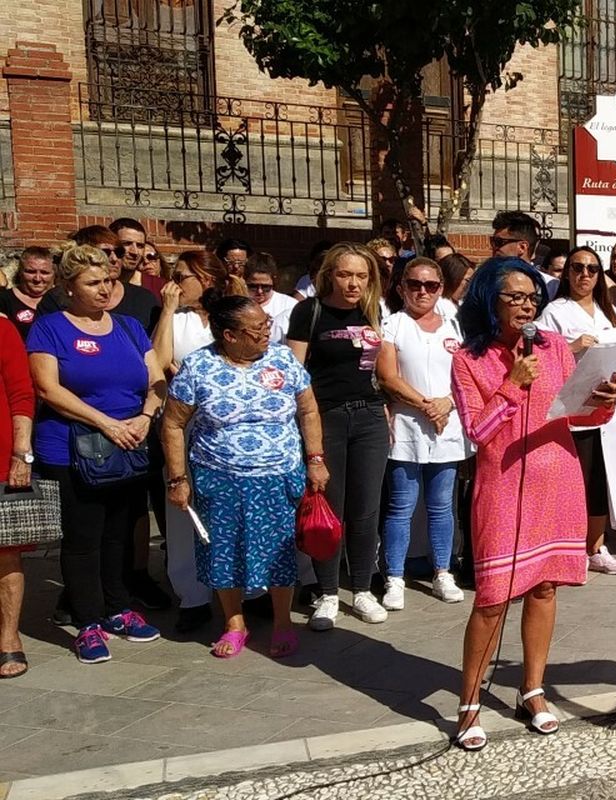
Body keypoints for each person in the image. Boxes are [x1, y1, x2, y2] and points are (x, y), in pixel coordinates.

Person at [450, 257, 616, 750]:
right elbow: (478, 432)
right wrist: (512, 385)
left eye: (532, 298)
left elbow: (583, 416)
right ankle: (468, 702)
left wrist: (605, 397)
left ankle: (532, 690)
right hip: (503, 488)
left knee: (544, 589)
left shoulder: (551, 347)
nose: (528, 306)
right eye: (516, 297)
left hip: (559, 479)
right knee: (493, 599)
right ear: (488, 300)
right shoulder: (467, 359)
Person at [161, 292, 327, 659]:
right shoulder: (199, 367)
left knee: (280, 551)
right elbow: (173, 424)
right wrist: (177, 478)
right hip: (219, 475)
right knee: (222, 549)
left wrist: (315, 458)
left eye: (266, 325)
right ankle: (234, 622)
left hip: (278, 473)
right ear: (229, 335)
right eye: (256, 329)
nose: (266, 333)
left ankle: (282, 621)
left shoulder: (283, 358)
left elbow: (309, 410)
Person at [28, 244, 167, 664]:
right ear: (68, 287)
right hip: (73, 447)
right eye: (93, 282)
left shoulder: (128, 326)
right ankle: (87, 621)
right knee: (83, 537)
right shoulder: (50, 328)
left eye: (108, 280)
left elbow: (155, 376)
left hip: (128, 444)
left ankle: (118, 608)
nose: (105, 288)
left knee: (120, 532)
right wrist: (105, 422)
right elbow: (48, 389)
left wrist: (146, 416)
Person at [284, 242, 390, 630]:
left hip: (370, 417)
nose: (353, 283)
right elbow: (295, 375)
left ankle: (361, 589)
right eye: (345, 274)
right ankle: (327, 593)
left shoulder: (373, 310)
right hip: (326, 418)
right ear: (330, 274)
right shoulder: (308, 312)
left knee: (366, 510)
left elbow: (380, 369)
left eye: (361, 276)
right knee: (328, 509)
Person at [155, 250, 247, 633]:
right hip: (186, 425)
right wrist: (167, 308)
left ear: (206, 279)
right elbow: (157, 360)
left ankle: (247, 592)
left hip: (233, 427)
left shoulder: (235, 315)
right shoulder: (178, 320)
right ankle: (191, 594)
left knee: (238, 507)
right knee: (184, 508)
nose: (173, 284)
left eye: (182, 278)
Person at [376, 258, 469, 609]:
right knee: (401, 506)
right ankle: (395, 577)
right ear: (401, 288)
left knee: (442, 505)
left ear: (441, 288)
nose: (422, 291)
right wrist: (427, 405)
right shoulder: (393, 325)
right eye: (415, 284)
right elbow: (388, 375)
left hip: (447, 425)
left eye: (431, 285)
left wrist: (446, 403)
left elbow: (465, 377)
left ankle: (443, 571)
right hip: (407, 425)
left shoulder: (454, 327)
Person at [535, 247, 616, 575]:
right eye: (577, 267)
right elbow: (540, 356)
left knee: (601, 483)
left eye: (591, 268)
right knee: (577, 485)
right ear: (567, 272)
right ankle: (570, 546)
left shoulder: (608, 310)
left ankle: (596, 546)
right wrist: (571, 348)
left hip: (607, 410)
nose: (584, 274)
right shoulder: (554, 312)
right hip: (573, 415)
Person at [0, 313, 35, 678]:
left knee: (5, 551)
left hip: (0, 454)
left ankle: (9, 638)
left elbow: (21, 393)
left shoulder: (2, 328)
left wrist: (22, 453)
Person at [490, 211, 558, 298]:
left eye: (498, 242)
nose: (494, 247)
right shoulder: (485, 282)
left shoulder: (551, 287)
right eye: (492, 241)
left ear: (522, 247)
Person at [0, 246, 55, 340]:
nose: (37, 278)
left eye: (45, 273)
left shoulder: (62, 302)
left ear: (54, 274)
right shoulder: (4, 300)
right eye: (31, 272)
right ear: (20, 272)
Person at [245, 254, 298, 343]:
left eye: (266, 287)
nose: (260, 291)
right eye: (253, 286)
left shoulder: (291, 305)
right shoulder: (238, 305)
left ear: (274, 281)